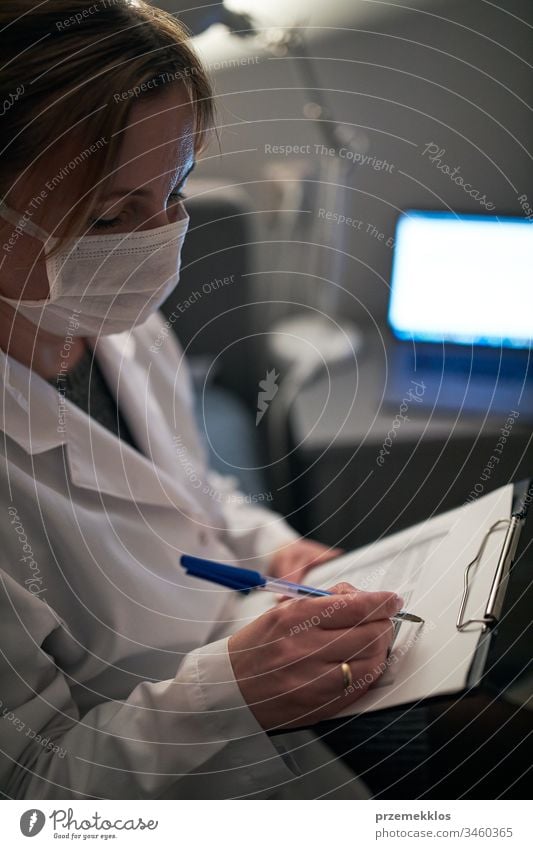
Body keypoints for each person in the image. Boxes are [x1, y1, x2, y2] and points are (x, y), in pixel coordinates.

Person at [0, 0, 400, 799]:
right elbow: (33, 791)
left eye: (175, 189)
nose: (160, 239)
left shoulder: (120, 325)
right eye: (113, 213)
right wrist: (225, 694)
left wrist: (273, 550)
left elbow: (194, 490)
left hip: (288, 696)